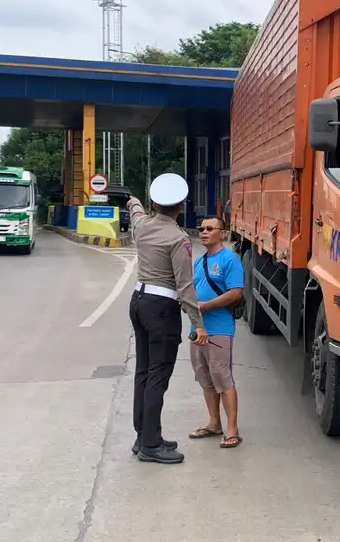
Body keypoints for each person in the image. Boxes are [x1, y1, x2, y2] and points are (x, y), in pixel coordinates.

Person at [127, 173, 209, 464]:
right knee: (157, 377)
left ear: (154, 203)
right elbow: (184, 285)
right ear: (182, 205)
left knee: (143, 373)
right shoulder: (178, 238)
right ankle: (151, 444)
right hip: (161, 308)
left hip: (138, 301)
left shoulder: (142, 226)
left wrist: (134, 201)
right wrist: (198, 324)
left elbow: (135, 211)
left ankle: (144, 436)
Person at [188, 215, 244, 449]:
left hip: (219, 330)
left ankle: (232, 428)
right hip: (197, 330)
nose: (204, 232)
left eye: (210, 228)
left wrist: (204, 306)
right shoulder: (199, 262)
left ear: (222, 233)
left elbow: (235, 293)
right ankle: (214, 423)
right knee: (205, 378)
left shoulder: (230, 260)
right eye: (201, 228)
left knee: (223, 379)